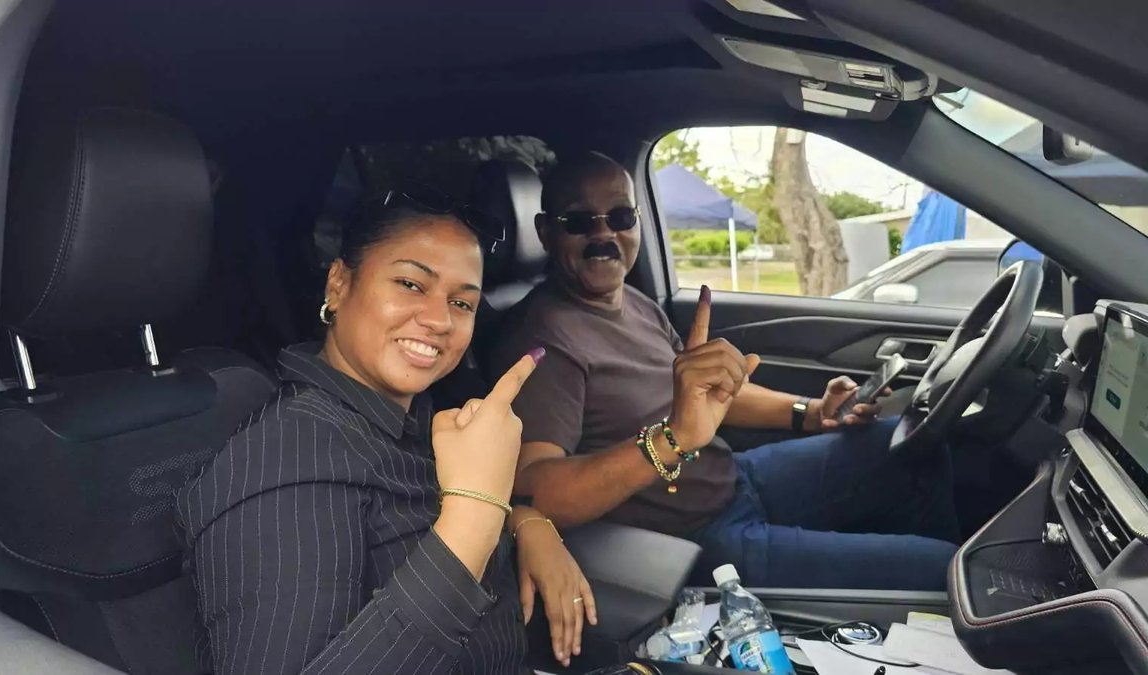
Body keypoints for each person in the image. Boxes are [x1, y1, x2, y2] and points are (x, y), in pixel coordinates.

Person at [491, 152, 960, 591]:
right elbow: (535, 491)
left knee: (911, 444)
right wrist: (671, 439)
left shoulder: (633, 303)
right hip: (696, 537)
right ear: (546, 232)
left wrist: (812, 412)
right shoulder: (542, 341)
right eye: (578, 221)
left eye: (620, 217)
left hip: (736, 477)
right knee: (949, 571)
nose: (603, 236)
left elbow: (709, 400)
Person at [177, 188, 597, 675]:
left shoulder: (412, 423)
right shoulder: (285, 457)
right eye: (411, 285)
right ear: (338, 284)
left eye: (462, 303)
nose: (439, 319)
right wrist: (476, 512)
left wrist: (523, 519)